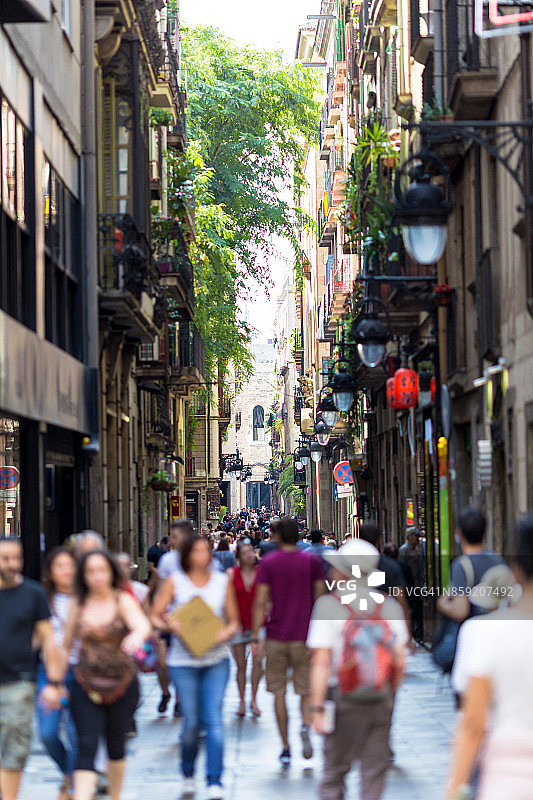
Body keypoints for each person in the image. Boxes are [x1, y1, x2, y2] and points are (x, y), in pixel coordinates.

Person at [307, 539, 409, 800]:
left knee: (334, 773)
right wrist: (388, 694)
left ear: (345, 572)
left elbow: (320, 661)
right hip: (379, 698)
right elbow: (400, 660)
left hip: (341, 697)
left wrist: (316, 708)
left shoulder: (328, 606)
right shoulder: (389, 607)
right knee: (374, 773)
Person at [446, 514, 533, 800]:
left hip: (508, 778)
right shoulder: (495, 561)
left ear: (516, 570)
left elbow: (472, 723)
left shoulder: (483, 633)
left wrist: (455, 789)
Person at [151, 535, 239, 800]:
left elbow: (234, 621)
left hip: (215, 660)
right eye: (196, 551)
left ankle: (214, 779)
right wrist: (170, 625)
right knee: (191, 723)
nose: (202, 556)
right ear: (186, 555)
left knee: (213, 718)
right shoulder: (174, 582)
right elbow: (155, 615)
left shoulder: (222, 583)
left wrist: (225, 633)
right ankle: (188, 771)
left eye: (205, 551)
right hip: (183, 661)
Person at [62, 550, 151, 800]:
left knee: (115, 746)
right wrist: (56, 682)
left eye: (102, 570)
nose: (97, 576)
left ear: (111, 572)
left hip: (122, 683)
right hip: (85, 682)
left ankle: (115, 795)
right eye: (90, 571)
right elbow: (66, 645)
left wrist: (136, 635)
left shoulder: (122, 599)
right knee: (87, 743)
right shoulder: (78, 603)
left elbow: (142, 624)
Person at [252, 516, 326, 767]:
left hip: (276, 637)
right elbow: (320, 600)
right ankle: (305, 726)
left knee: (278, 693)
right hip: (306, 637)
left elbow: (261, 601)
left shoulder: (270, 564)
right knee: (305, 690)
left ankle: (285, 746)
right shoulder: (312, 562)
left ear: (279, 536)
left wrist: (255, 636)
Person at [0, 536, 64, 800]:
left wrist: (54, 682)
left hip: (19, 681)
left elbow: (48, 640)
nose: (13, 564)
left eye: (18, 558)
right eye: (6, 559)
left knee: (14, 749)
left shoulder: (33, 593)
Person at [38, 547, 78, 800]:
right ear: (50, 572)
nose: (65, 571)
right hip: (48, 672)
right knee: (48, 733)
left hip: (80, 671)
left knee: (76, 732)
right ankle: (67, 771)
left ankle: (75, 784)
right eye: (59, 566)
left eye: (70, 565)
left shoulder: (86, 598)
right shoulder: (40, 600)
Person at [228, 539, 263, 718]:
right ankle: (242, 701)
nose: (250, 555)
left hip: (258, 623)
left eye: (251, 551)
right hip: (238, 624)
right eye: (245, 552)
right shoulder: (231, 574)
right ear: (239, 557)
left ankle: (254, 699)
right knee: (241, 666)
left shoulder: (261, 573)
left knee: (258, 661)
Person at [398, 527, 424, 638]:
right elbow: (401, 567)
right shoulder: (404, 550)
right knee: (411, 608)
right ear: (409, 537)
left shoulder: (417, 549)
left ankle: (417, 631)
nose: (417, 539)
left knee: (418, 608)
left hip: (418, 584)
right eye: (415, 536)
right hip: (409, 584)